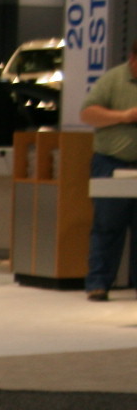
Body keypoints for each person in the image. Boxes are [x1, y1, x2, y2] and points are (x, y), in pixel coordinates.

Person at [78, 38, 137, 302]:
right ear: (133, 59)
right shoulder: (113, 80)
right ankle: (99, 283)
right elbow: (88, 114)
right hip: (112, 163)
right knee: (107, 225)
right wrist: (125, 116)